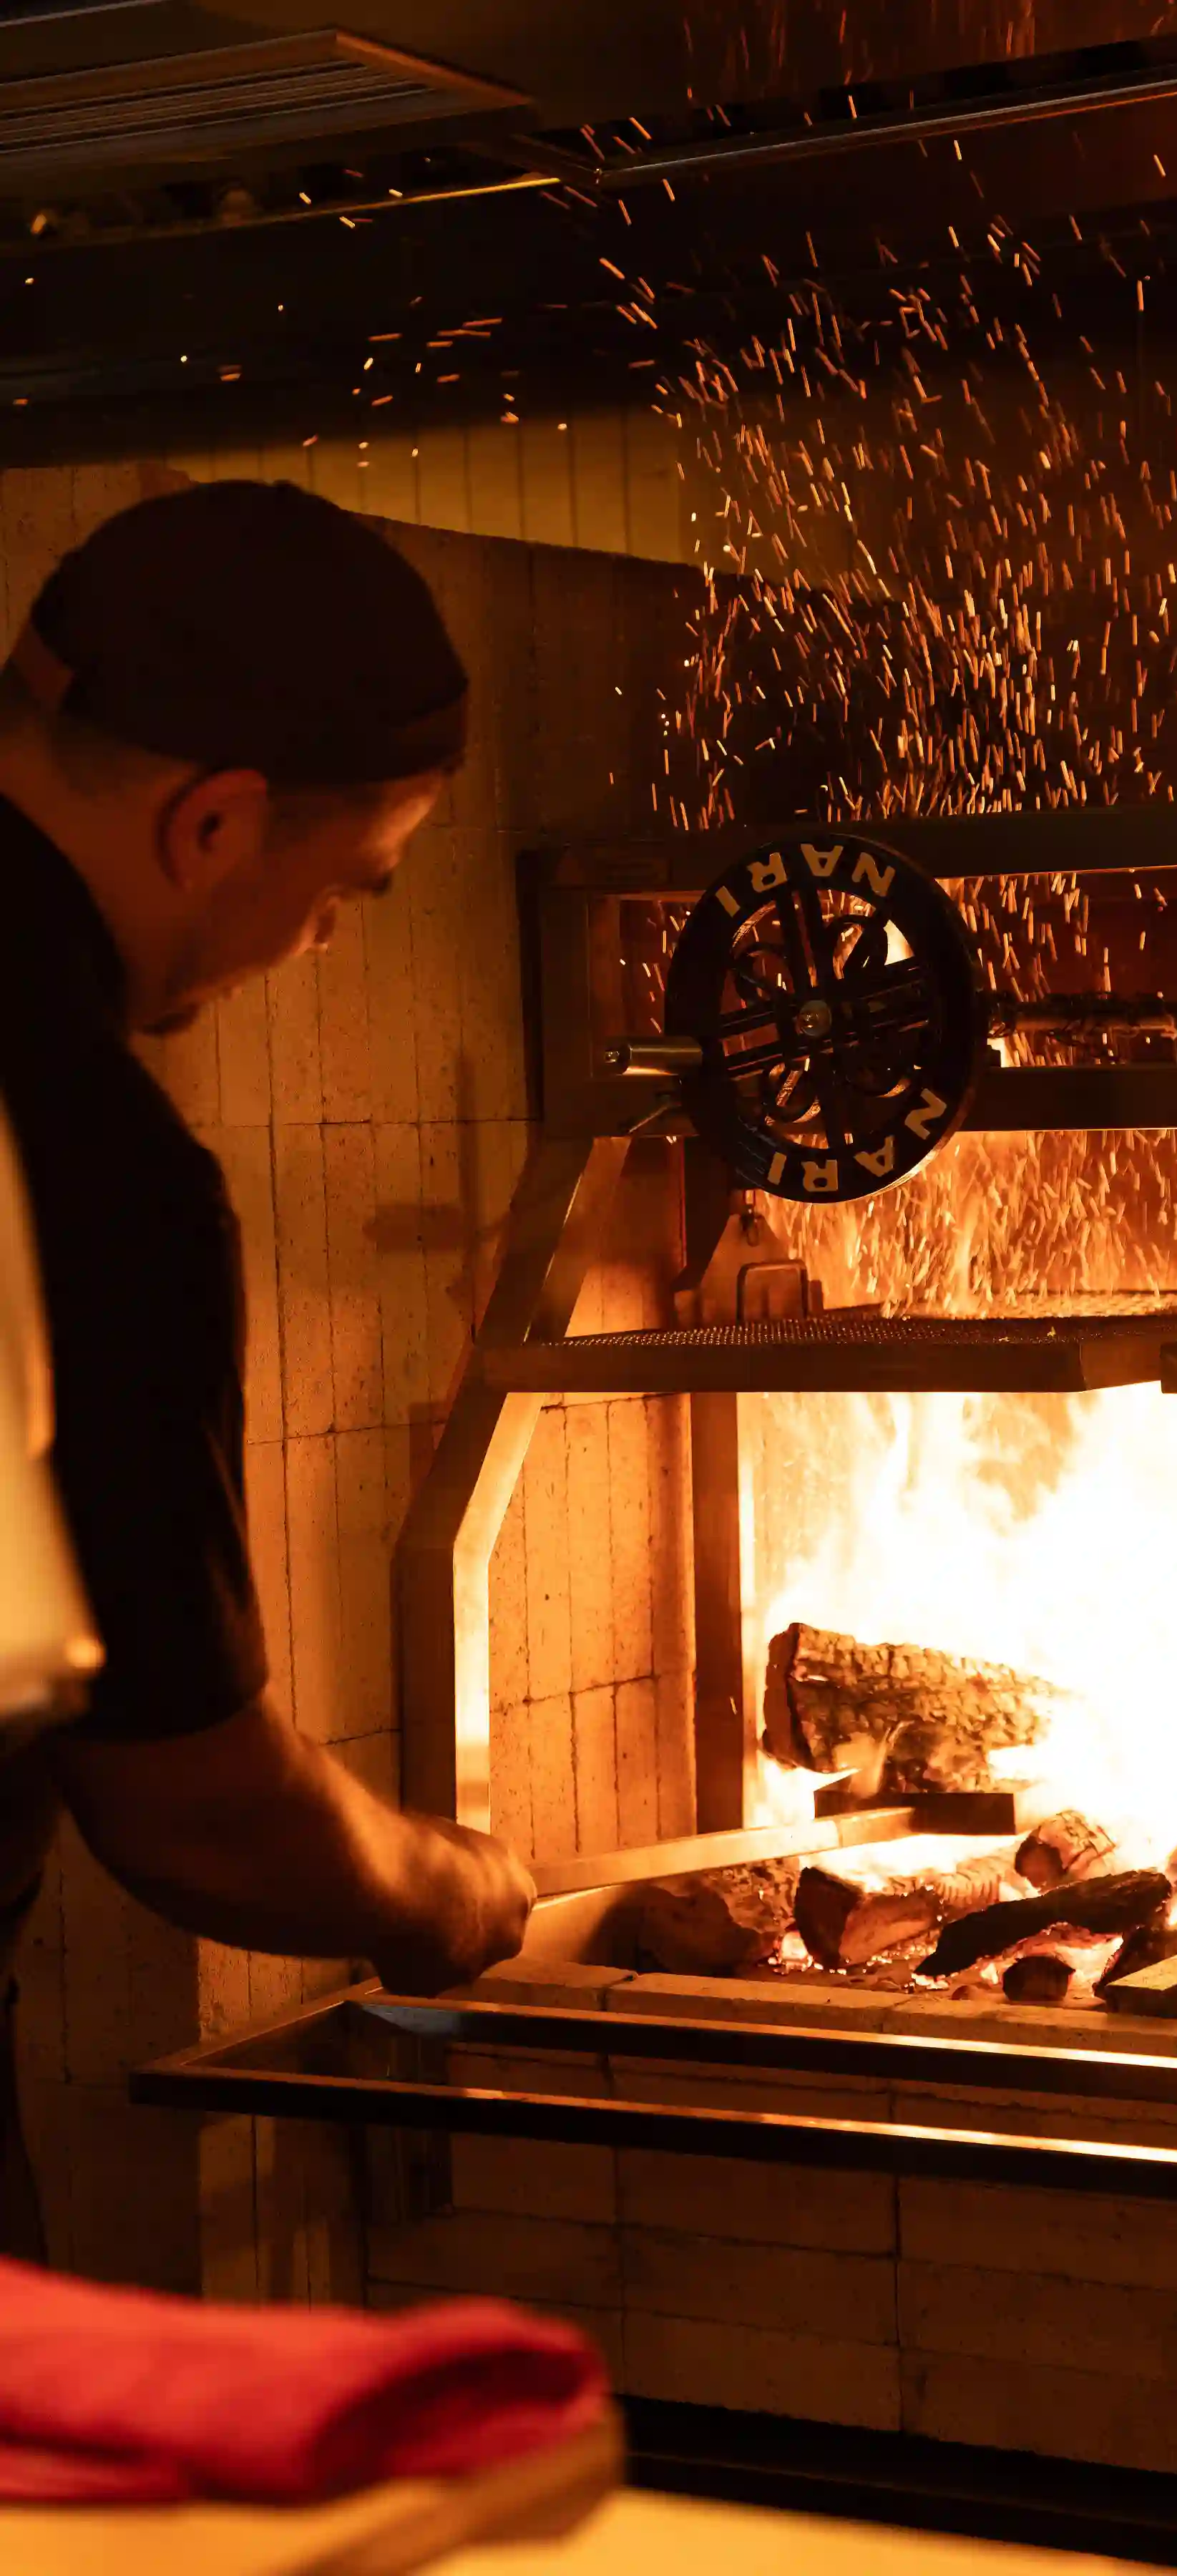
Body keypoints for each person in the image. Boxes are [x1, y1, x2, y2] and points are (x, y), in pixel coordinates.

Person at [0, 479, 536, 2254]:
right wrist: (437, 1888)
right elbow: (194, 1813)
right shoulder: (89, 1164)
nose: (317, 949)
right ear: (217, 822)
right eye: (349, 893)